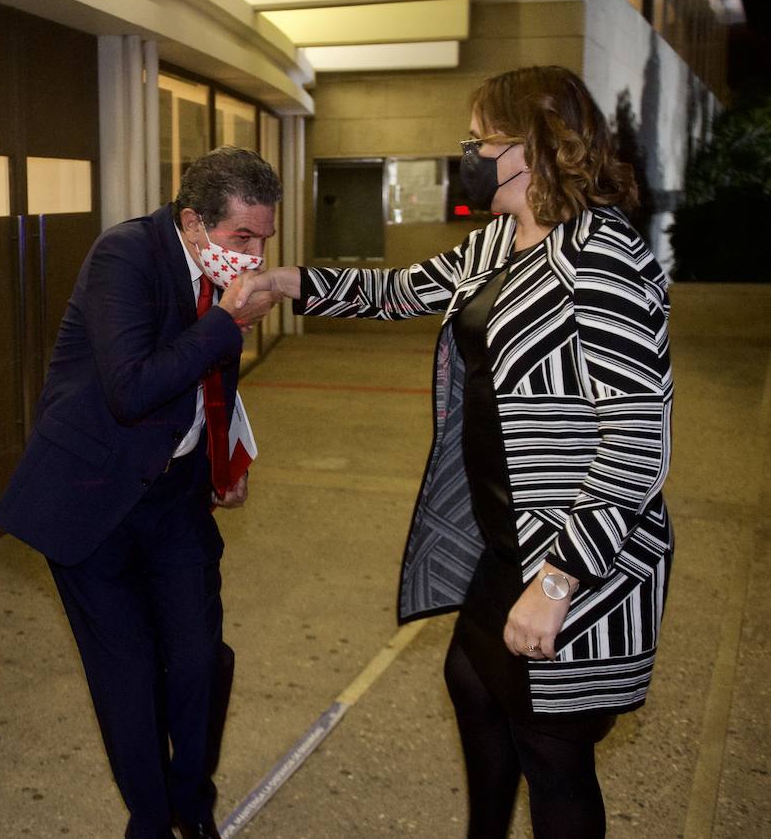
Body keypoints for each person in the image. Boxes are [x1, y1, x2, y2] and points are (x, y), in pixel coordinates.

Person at [238, 66, 673, 838]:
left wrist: (559, 581)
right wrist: (286, 282)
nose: (467, 155)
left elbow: (637, 439)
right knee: (473, 685)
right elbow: (403, 290)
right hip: (505, 543)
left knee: (554, 754)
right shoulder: (502, 241)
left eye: (480, 140)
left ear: (535, 147)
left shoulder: (605, 259)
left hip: (576, 556)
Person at [0, 147, 282, 839]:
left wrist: (222, 455)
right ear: (193, 221)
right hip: (92, 499)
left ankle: (192, 803)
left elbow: (211, 379)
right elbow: (132, 389)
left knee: (200, 662)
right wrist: (226, 323)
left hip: (175, 494)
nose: (254, 255)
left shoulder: (219, 272)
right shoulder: (124, 255)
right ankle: (150, 822)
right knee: (128, 677)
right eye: (242, 236)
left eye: (264, 239)